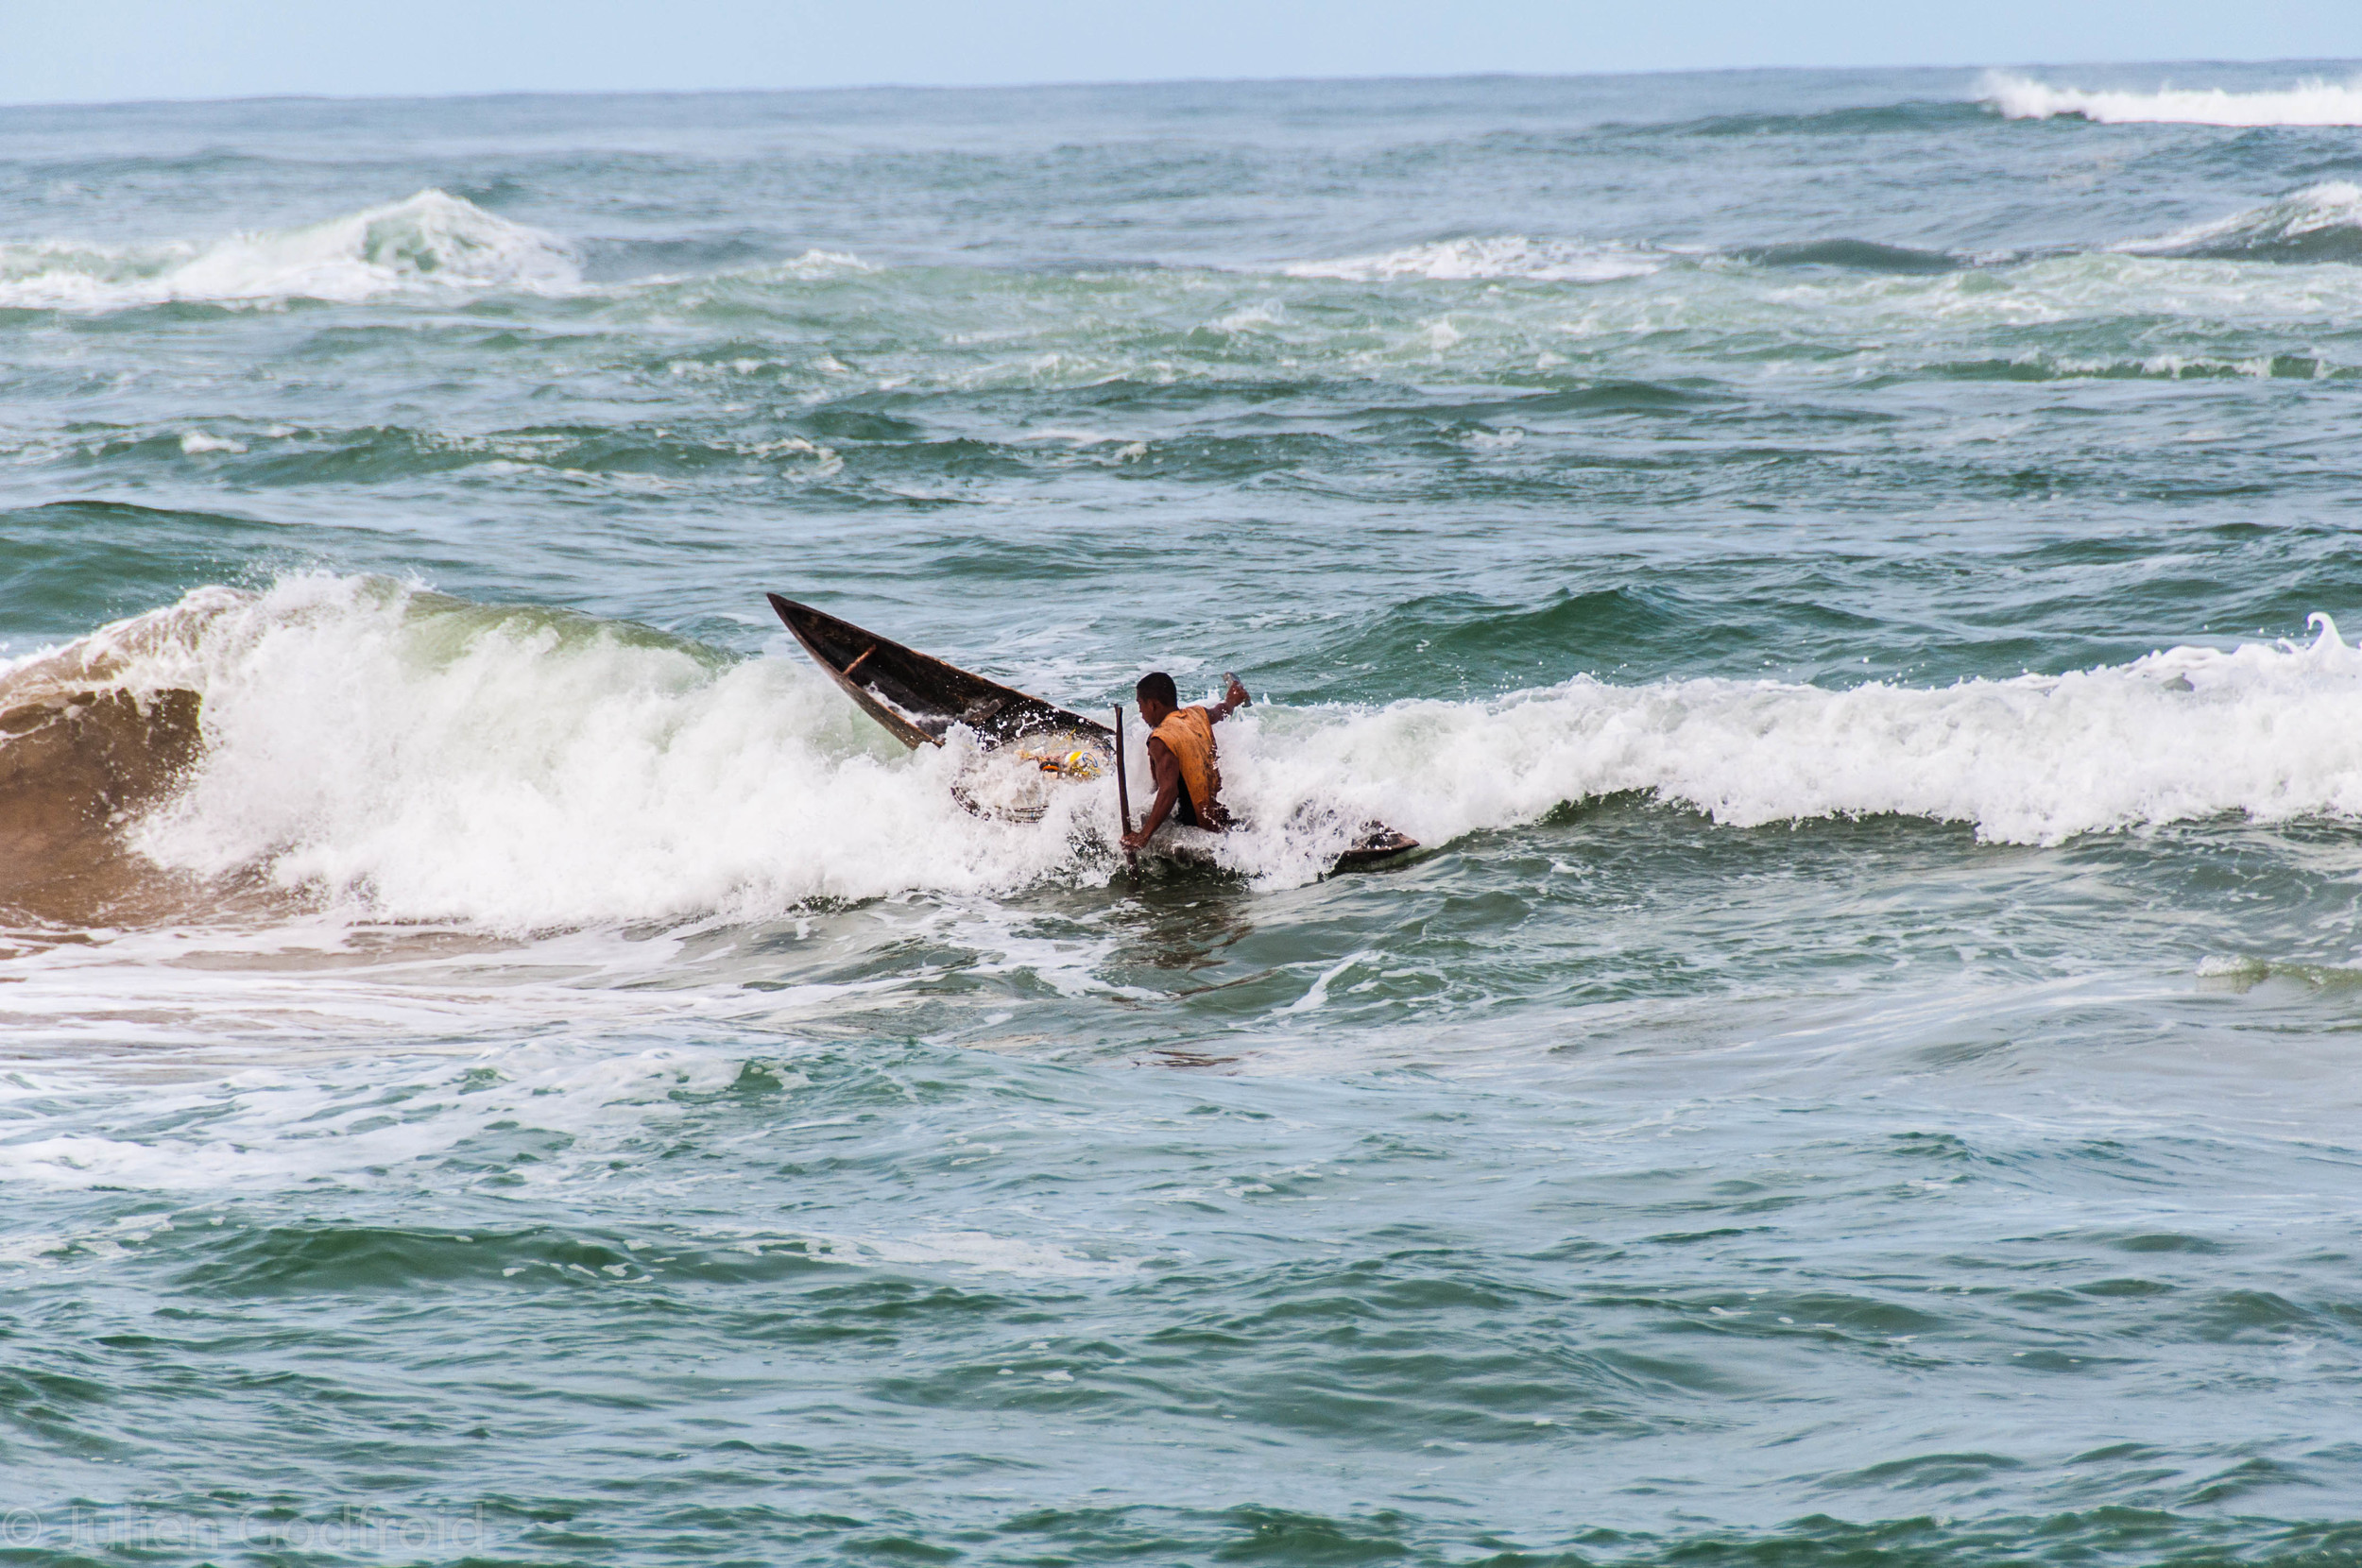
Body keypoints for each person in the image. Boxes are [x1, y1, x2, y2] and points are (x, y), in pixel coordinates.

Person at [1121, 671, 1251, 852]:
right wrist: (1231, 700)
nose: (1141, 713)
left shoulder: (1161, 739)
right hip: (1221, 817)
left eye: (1140, 705)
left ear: (1153, 705)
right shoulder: (1198, 714)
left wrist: (1143, 836)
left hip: (1197, 832)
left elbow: (1169, 791)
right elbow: (1222, 711)